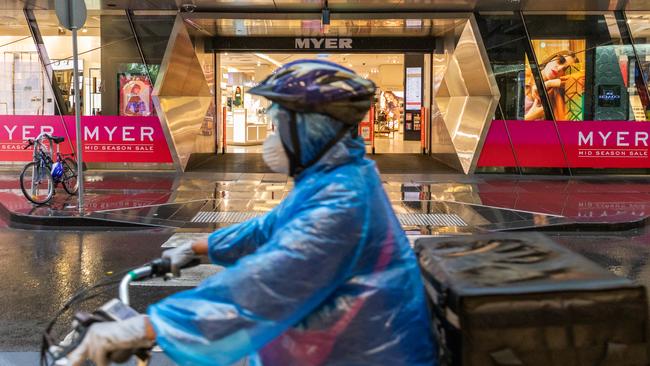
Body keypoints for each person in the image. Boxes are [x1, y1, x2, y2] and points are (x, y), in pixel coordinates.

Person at [66, 60, 437, 366]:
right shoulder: (334, 180)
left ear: (309, 130)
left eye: (279, 125)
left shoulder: (343, 202)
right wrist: (200, 248)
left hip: (364, 354)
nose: (271, 137)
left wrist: (148, 327)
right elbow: (268, 228)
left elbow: (265, 284)